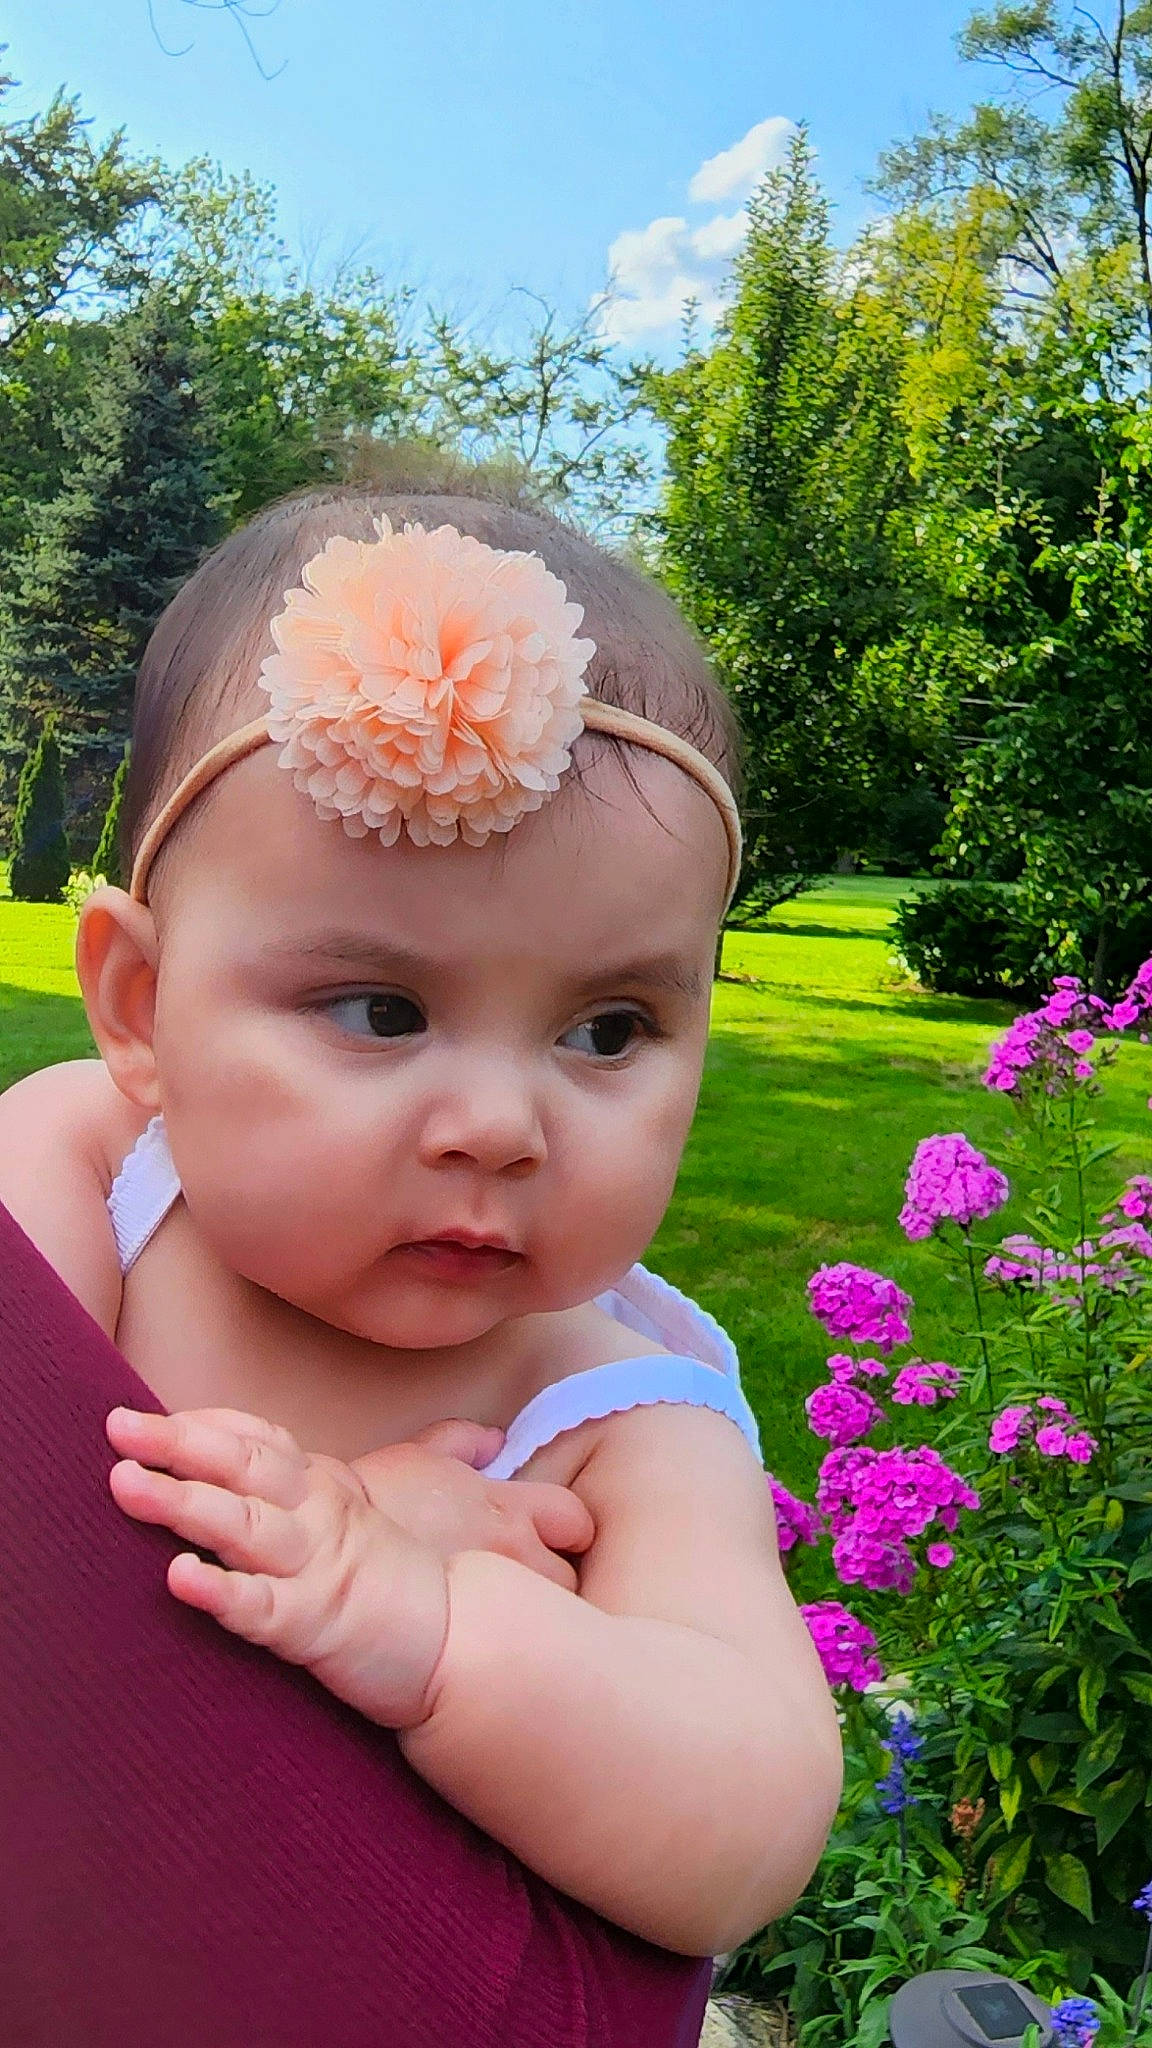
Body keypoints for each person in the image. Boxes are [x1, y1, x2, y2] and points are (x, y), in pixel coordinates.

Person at [0, 480, 841, 1972]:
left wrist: (429, 1621)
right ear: (140, 1009)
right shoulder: (86, 1161)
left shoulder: (615, 1418)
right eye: (383, 1010)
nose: (503, 1126)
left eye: (608, 1028)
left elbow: (751, 1819)